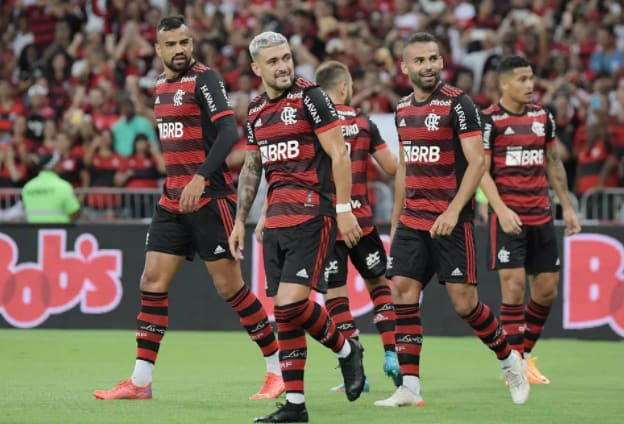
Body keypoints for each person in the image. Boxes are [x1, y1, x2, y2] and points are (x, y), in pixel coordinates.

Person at [93, 16, 284, 401]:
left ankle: (277, 370)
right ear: (158, 49)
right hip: (172, 200)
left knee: (230, 288)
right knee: (151, 282)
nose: (180, 49)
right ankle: (140, 381)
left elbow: (230, 130)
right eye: (172, 44)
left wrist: (200, 176)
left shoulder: (205, 79)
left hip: (210, 199)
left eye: (185, 42)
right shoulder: (161, 86)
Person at [374, 32, 529, 408]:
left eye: (433, 59)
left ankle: (510, 361)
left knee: (465, 305)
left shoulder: (458, 104)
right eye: (420, 60)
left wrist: (452, 210)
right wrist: (395, 222)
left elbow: (477, 163)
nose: (428, 66)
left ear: (442, 62)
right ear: (405, 67)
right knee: (402, 293)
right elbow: (405, 169)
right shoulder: (403, 109)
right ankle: (410, 387)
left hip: (451, 221)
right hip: (413, 220)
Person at [228, 32, 366, 423]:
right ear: (256, 69)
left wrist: (342, 209)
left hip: (312, 215)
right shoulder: (255, 111)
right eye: (273, 61)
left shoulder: (311, 97)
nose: (283, 65)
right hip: (276, 222)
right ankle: (295, 406)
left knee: (288, 305)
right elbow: (254, 167)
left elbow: (338, 151)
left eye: (286, 57)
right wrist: (242, 220)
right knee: (285, 314)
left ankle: (346, 350)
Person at [479, 55, 581, 384]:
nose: (530, 85)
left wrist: (566, 205)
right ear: (504, 84)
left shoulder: (542, 117)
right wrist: (501, 209)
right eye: (522, 79)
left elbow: (552, 162)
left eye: (531, 78)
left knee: (547, 290)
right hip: (508, 216)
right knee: (513, 287)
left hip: (541, 214)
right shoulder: (490, 120)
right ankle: (514, 370)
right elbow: (481, 171)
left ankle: (521, 359)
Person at [312, 60, 401, 392]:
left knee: (336, 295)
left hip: (329, 223)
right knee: (379, 285)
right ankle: (393, 353)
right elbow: (392, 167)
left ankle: (356, 371)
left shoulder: (315, 126)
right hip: (362, 222)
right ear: (345, 87)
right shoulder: (364, 122)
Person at [22, 151, 81, 223]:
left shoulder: (27, 187)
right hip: (59, 230)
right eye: (58, 163)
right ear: (53, 166)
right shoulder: (63, 186)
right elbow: (74, 212)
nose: (60, 165)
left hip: (34, 231)